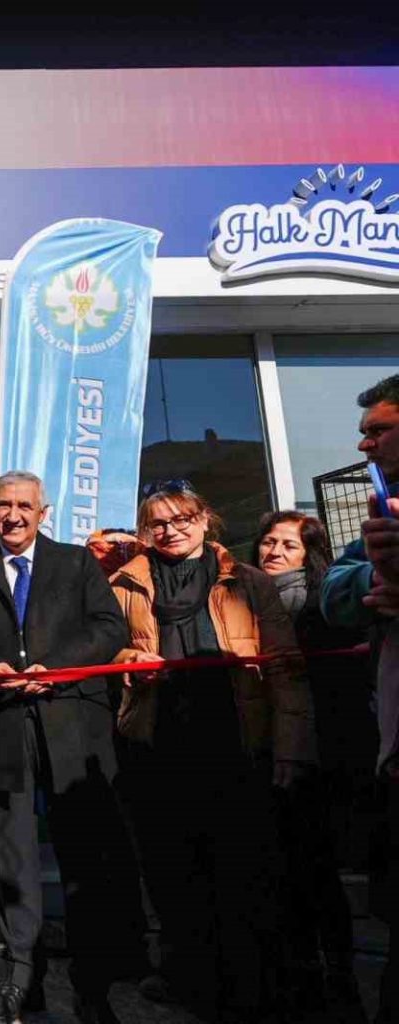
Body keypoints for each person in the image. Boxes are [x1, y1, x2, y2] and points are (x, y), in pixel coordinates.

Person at [109, 482, 315, 1022]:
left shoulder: (248, 581)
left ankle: (248, 990)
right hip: (158, 746)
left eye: (181, 518)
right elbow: (105, 646)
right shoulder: (124, 584)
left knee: (242, 873)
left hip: (235, 744)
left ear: (204, 520)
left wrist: (291, 750)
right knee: (173, 875)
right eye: (158, 522)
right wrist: (128, 657)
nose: (170, 530)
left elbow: (285, 668)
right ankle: (189, 980)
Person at [0, 471, 136, 1024]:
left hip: (72, 728)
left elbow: (109, 628)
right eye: (3, 505)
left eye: (24, 506)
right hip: (1, 726)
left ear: (43, 512)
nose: (13, 515)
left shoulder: (76, 563)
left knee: (84, 860)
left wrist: (52, 669)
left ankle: (91, 988)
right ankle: (20, 982)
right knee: (13, 861)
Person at [253, 510, 369, 1018]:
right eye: (268, 541)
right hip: (261, 747)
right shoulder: (241, 598)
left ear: (310, 554)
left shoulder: (323, 604)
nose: (274, 551)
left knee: (315, 868)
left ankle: (338, 974)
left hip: (316, 753)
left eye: (289, 545)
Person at [320, 372, 399, 1023]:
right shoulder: (377, 516)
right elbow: (333, 595)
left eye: (379, 430)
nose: (363, 444)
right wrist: (374, 578)